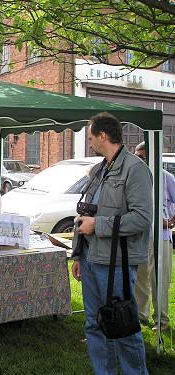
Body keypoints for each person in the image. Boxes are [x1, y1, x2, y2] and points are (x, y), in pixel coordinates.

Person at [71, 113, 151, 375]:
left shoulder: (135, 169)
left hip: (116, 263)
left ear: (103, 136)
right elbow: (84, 212)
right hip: (92, 259)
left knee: (123, 326)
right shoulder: (98, 169)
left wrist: (99, 225)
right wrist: (78, 255)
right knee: (95, 325)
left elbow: (141, 218)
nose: (90, 141)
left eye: (92, 137)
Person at [134, 141, 174, 332]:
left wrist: (171, 221)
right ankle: (141, 314)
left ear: (151, 158)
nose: (137, 160)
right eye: (136, 156)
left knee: (159, 280)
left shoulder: (166, 178)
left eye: (141, 157)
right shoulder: (135, 178)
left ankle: (161, 320)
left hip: (161, 237)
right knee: (140, 277)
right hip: (139, 236)